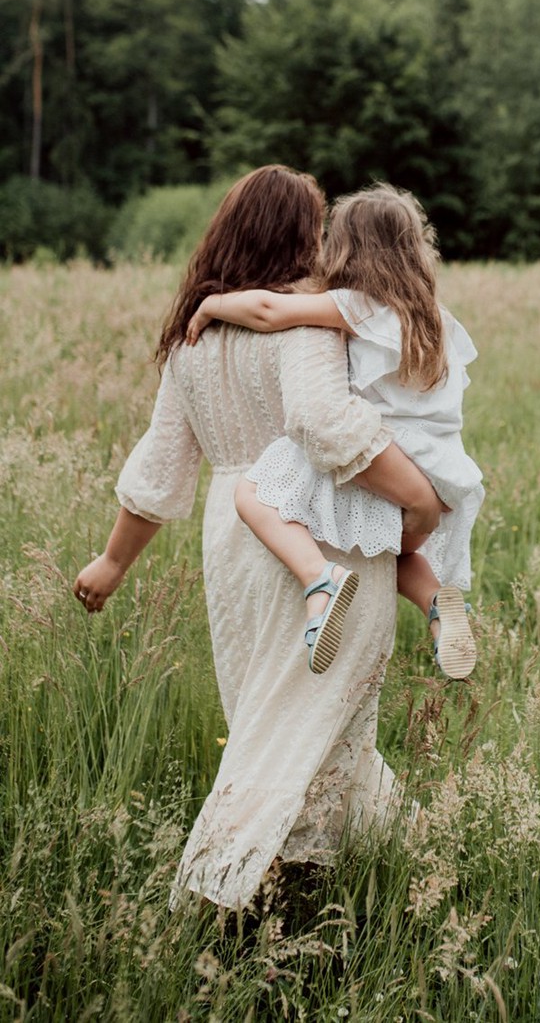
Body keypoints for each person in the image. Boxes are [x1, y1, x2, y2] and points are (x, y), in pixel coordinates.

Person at [72, 165, 445, 912]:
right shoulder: (307, 318)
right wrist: (417, 497)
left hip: (236, 533)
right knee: (311, 717)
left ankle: (346, 871)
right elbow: (319, 422)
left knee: (270, 710)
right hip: (321, 527)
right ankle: (227, 881)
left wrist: (114, 560)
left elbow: (161, 464)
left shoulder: (195, 335)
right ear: (297, 235)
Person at [185, 183, 482, 681]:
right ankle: (437, 602)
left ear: (347, 248)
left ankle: (318, 580)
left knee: (254, 493)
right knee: (394, 549)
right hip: (443, 469)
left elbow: (268, 312)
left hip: (389, 455)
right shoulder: (436, 319)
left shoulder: (361, 306)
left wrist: (212, 304)